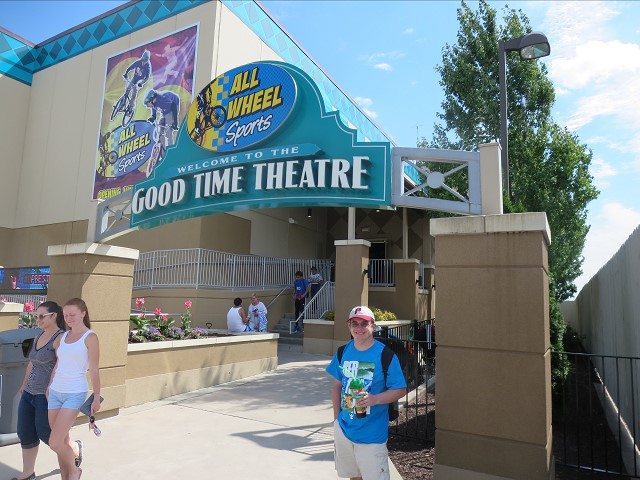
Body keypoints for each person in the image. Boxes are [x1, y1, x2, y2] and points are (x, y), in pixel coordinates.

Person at [326, 306, 407, 480]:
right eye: (354, 323)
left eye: (364, 323)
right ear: (349, 326)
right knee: (354, 476)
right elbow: (337, 386)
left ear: (373, 326)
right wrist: (336, 420)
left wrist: (375, 399)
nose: (359, 327)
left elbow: (400, 389)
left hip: (372, 434)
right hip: (344, 430)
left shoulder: (385, 355)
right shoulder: (343, 352)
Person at [14, 301, 82, 480]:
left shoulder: (61, 338)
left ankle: (74, 453)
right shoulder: (39, 336)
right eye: (36, 316)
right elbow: (32, 363)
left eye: (41, 316)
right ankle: (28, 473)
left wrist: (51, 387)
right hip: (29, 393)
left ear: (54, 316)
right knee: (25, 433)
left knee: (48, 435)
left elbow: (62, 365)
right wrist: (23, 384)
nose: (38, 319)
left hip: (47, 396)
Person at [48, 298, 101, 480]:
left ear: (83, 313)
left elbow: (94, 369)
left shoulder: (90, 337)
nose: (68, 318)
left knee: (54, 442)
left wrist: (96, 397)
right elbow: (58, 364)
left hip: (74, 393)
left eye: (72, 314)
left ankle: (74, 470)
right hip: (55, 392)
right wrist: (49, 386)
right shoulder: (62, 337)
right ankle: (66, 476)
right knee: (62, 441)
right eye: (65, 315)